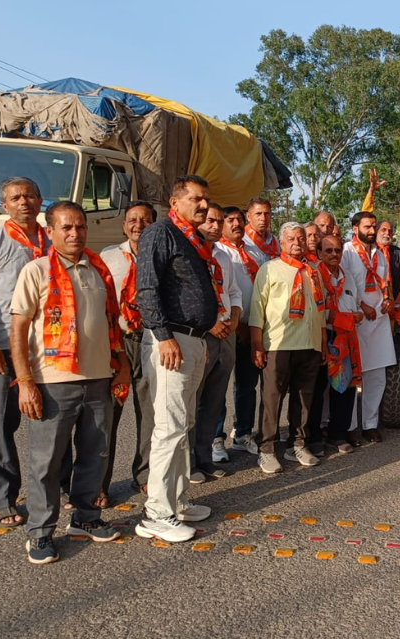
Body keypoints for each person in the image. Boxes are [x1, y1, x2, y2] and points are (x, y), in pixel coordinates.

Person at [10, 201, 130, 563]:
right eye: (66, 227)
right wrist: (25, 380)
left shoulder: (98, 270)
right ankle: (40, 532)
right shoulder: (36, 271)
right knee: (46, 462)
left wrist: (121, 365)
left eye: (80, 227)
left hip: (98, 380)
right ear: (50, 232)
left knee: (96, 454)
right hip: (52, 383)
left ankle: (86, 518)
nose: (75, 233)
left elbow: (112, 325)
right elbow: (18, 329)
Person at [134, 175, 220, 544]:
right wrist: (163, 336)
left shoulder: (192, 239)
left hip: (195, 341)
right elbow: (147, 289)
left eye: (206, 199)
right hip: (174, 341)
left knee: (183, 424)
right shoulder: (161, 233)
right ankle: (157, 513)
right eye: (196, 199)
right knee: (169, 428)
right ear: (175, 200)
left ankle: (177, 501)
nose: (203, 205)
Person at [0, 177, 50, 527]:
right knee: (3, 426)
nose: (24, 202)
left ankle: (55, 487)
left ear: (40, 200)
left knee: (52, 422)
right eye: (16, 197)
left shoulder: (53, 239)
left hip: (49, 346)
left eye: (30, 196)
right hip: (4, 345)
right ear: (5, 205)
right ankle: (3, 498)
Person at [250, 222, 327, 473]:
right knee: (272, 398)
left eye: (301, 238)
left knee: (304, 397)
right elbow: (257, 309)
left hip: (309, 343)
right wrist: (257, 344)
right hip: (278, 344)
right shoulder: (270, 269)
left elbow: (321, 312)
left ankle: (297, 444)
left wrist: (323, 342)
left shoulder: (313, 271)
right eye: (291, 239)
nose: (297, 243)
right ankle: (267, 448)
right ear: (282, 243)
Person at [99, 201, 156, 500]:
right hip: (118, 342)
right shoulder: (108, 258)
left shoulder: (161, 256)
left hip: (149, 341)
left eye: (145, 220)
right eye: (132, 220)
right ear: (124, 226)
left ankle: (144, 475)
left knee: (149, 414)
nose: (138, 225)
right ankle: (99, 484)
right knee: (108, 415)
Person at [188, 204, 240, 483]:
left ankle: (204, 457)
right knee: (191, 402)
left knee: (213, 401)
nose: (216, 226)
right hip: (201, 334)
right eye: (211, 220)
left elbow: (233, 292)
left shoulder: (224, 256)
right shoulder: (190, 252)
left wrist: (233, 321)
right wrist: (211, 324)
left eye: (219, 221)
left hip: (225, 335)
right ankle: (187, 463)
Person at [342, 211, 396, 442]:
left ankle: (370, 424)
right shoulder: (346, 251)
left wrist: (387, 299)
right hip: (358, 318)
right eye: (367, 227)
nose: (372, 231)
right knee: (354, 374)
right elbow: (344, 283)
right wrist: (362, 305)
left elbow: (384, 283)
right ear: (355, 228)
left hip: (379, 319)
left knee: (377, 375)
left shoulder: (380, 253)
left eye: (374, 226)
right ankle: (351, 426)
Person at [215, 205, 263, 457]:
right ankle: (215, 438)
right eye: (229, 219)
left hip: (251, 327)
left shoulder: (254, 251)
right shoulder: (217, 251)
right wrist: (237, 324)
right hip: (226, 328)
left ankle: (243, 433)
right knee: (218, 386)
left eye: (239, 220)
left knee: (247, 385)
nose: (235, 224)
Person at [312, 235, 366, 449]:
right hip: (322, 337)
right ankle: (313, 438)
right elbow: (318, 312)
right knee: (316, 390)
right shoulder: (313, 275)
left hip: (345, 340)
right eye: (328, 250)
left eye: (337, 250)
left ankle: (338, 435)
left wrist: (357, 314)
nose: (334, 254)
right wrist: (347, 318)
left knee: (344, 388)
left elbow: (357, 304)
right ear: (319, 253)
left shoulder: (347, 276)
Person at [376, 220, 400, 301]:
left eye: (390, 231)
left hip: (392, 300)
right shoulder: (370, 250)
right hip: (373, 297)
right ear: (376, 231)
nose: (387, 233)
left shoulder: (398, 252)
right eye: (383, 230)